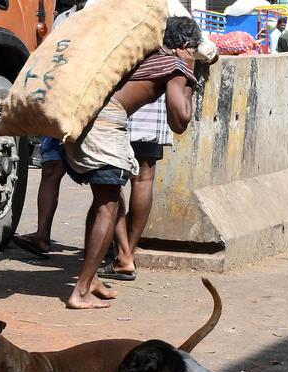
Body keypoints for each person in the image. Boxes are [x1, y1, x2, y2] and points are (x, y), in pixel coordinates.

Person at [62, 16, 201, 309]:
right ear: (186, 46)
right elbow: (180, 121)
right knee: (108, 206)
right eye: (194, 50)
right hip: (106, 121)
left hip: (89, 114)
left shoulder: (148, 56)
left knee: (102, 201)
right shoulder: (174, 66)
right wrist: (189, 76)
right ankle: (80, 292)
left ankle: (90, 279)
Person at [11, 1, 85, 259]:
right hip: (59, 102)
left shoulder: (105, 15)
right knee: (51, 168)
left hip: (90, 107)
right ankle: (42, 236)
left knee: (104, 180)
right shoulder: (63, 18)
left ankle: (117, 247)